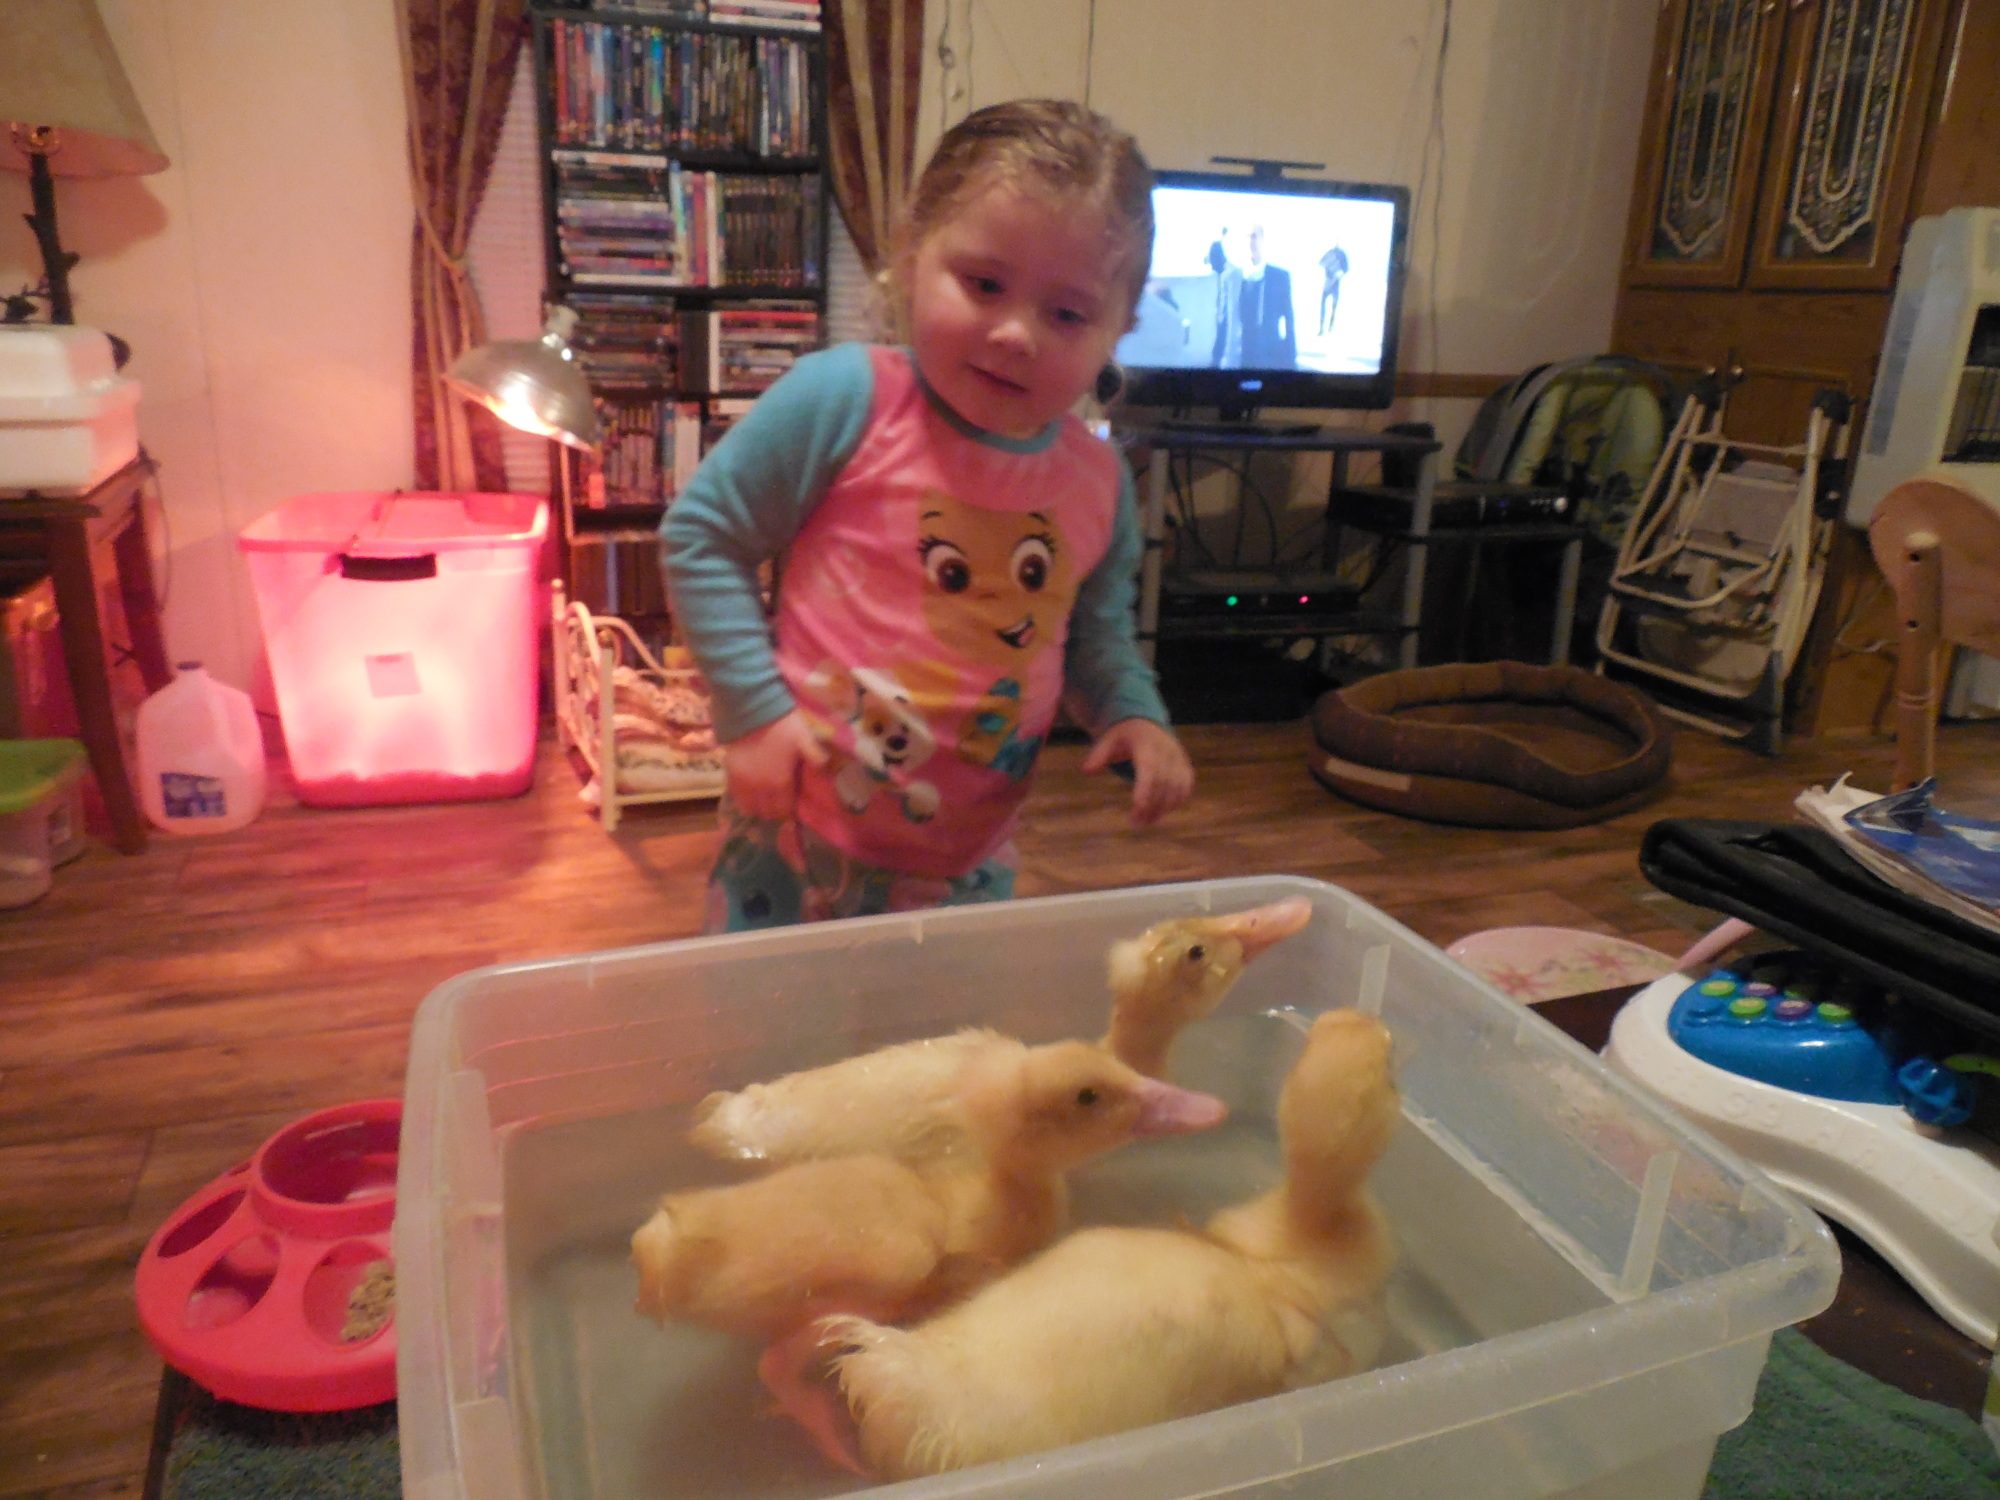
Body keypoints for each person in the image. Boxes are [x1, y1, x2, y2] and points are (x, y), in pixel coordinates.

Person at [662, 99, 1196, 934]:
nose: (1016, 333)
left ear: (1120, 329)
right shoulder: (844, 399)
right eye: (984, 285)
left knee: (936, 1023)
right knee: (764, 1020)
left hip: (968, 867)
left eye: (1067, 314)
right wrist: (754, 715)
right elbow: (702, 536)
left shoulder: (1099, 480)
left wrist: (1134, 714)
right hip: (795, 836)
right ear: (913, 255)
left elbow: (1097, 638)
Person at [1237, 224, 1295, 368]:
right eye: (1248, 237)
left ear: (1262, 240)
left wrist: (1291, 353)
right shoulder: (1237, 277)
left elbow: (1288, 316)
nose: (1251, 241)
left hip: (1272, 352)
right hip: (1245, 352)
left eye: (1254, 236)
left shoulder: (1279, 276)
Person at [1207, 230, 1242, 367]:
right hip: (1222, 325)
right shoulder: (1222, 276)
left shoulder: (1232, 274)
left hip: (1228, 326)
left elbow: (1231, 310)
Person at [1318, 244, 1348, 336]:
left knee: (1333, 306)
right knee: (1324, 305)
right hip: (1328, 283)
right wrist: (1329, 269)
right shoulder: (1330, 253)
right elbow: (1321, 262)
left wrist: (1337, 275)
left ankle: (1330, 326)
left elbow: (1346, 269)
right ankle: (1322, 327)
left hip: (1335, 284)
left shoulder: (1341, 255)